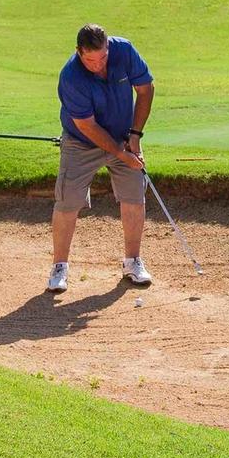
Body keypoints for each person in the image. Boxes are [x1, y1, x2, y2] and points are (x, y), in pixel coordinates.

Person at [48, 21, 153, 295]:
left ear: (109, 46)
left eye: (103, 56)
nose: (98, 64)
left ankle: (133, 262)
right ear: (79, 52)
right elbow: (87, 125)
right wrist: (120, 153)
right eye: (91, 60)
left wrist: (135, 136)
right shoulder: (71, 77)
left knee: (134, 197)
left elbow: (145, 89)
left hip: (123, 135)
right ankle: (60, 267)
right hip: (81, 142)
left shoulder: (124, 50)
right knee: (68, 202)